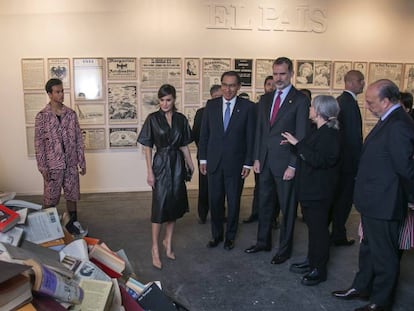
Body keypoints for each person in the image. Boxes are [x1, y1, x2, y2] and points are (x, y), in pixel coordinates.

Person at [332, 79, 414, 311]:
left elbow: (406, 169)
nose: (367, 106)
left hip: (385, 202)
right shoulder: (390, 119)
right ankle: (361, 287)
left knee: (385, 256)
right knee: (368, 248)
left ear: (386, 101)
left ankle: (381, 302)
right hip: (374, 200)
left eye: (371, 102)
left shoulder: (398, 124)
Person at [245, 57, 310, 265]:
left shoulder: (300, 99)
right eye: (275, 74)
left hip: (285, 165)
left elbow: (301, 135)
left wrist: (293, 164)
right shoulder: (265, 99)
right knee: (264, 204)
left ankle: (284, 249)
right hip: (264, 162)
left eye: (282, 74)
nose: (278, 78)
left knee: (287, 208)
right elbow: (259, 132)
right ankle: (262, 242)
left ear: (291, 74)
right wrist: (256, 157)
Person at [282, 95, 340, 286]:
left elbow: (320, 160)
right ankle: (311, 261)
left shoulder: (330, 135)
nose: (309, 109)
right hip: (310, 190)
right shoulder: (318, 130)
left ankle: (319, 269)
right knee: (314, 230)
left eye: (312, 107)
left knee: (319, 231)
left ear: (320, 111)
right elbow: (307, 151)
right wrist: (295, 145)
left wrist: (297, 144)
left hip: (319, 192)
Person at [137, 84, 194, 270]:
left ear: (174, 99)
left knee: (174, 204)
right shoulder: (152, 119)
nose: (164, 103)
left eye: (168, 100)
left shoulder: (181, 119)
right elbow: (147, 147)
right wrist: (149, 172)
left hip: (177, 163)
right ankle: (155, 247)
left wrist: (190, 162)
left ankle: (167, 242)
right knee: (159, 207)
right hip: (161, 163)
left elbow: (184, 144)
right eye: (161, 100)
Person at [199, 71, 256, 250]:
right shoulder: (211, 105)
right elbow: (204, 135)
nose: (228, 89)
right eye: (225, 85)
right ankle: (216, 236)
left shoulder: (248, 107)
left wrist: (248, 163)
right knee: (215, 201)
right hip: (214, 163)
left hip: (236, 165)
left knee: (233, 202)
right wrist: (203, 159)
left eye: (232, 85)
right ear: (221, 85)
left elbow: (250, 137)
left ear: (238, 87)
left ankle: (230, 237)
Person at [34, 78, 87, 237]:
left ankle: (73, 222)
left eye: (62, 91)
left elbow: (78, 138)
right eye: (58, 91)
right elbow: (39, 143)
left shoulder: (70, 114)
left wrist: (81, 161)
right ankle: (48, 226)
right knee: (50, 197)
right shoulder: (42, 116)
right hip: (52, 164)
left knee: (72, 194)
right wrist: (42, 166)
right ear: (50, 94)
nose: (61, 94)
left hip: (70, 163)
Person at [330, 70, 365, 246]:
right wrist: (358, 163)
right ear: (350, 82)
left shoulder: (342, 101)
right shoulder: (348, 103)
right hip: (348, 163)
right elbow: (352, 138)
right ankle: (337, 235)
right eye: (360, 80)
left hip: (342, 162)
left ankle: (336, 233)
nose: (363, 83)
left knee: (339, 199)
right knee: (344, 200)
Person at [244, 75, 277, 224]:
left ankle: (273, 218)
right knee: (259, 187)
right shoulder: (257, 106)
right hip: (260, 154)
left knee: (274, 189)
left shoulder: (280, 105)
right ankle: (256, 213)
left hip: (275, 154)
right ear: (264, 86)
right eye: (268, 84)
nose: (271, 87)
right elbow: (253, 132)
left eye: (273, 84)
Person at [192, 85, 222, 224]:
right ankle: (203, 214)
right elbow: (197, 134)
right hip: (206, 156)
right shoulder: (202, 113)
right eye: (217, 97)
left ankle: (220, 213)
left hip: (222, 157)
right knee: (204, 187)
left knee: (221, 187)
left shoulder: (227, 111)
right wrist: (205, 153)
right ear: (211, 97)